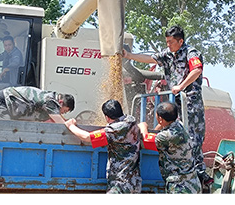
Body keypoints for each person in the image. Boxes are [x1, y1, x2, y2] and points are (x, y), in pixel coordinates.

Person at [123, 25, 210, 190]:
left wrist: (181, 86)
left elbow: (197, 70)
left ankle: (197, 173)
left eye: (171, 42)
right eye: (167, 42)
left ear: (180, 41)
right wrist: (129, 55)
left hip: (189, 101)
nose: (168, 45)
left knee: (192, 137)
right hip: (174, 100)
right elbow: (150, 59)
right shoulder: (168, 54)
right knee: (170, 131)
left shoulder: (191, 53)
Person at [65, 99, 142, 194]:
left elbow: (87, 137)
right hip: (135, 182)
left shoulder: (113, 130)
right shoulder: (131, 121)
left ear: (107, 117)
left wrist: (71, 126)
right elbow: (143, 124)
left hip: (120, 184)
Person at [138, 102, 201, 193]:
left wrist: (143, 126)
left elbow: (146, 141)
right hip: (192, 181)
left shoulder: (166, 136)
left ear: (160, 119)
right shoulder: (179, 125)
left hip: (180, 187)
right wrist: (159, 125)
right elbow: (162, 126)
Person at [0, 86, 73, 122]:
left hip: (9, 106)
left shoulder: (52, 101)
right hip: (1, 102)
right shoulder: (50, 101)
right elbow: (60, 122)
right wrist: (71, 125)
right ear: (61, 102)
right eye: (64, 111)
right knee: (5, 129)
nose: (62, 113)